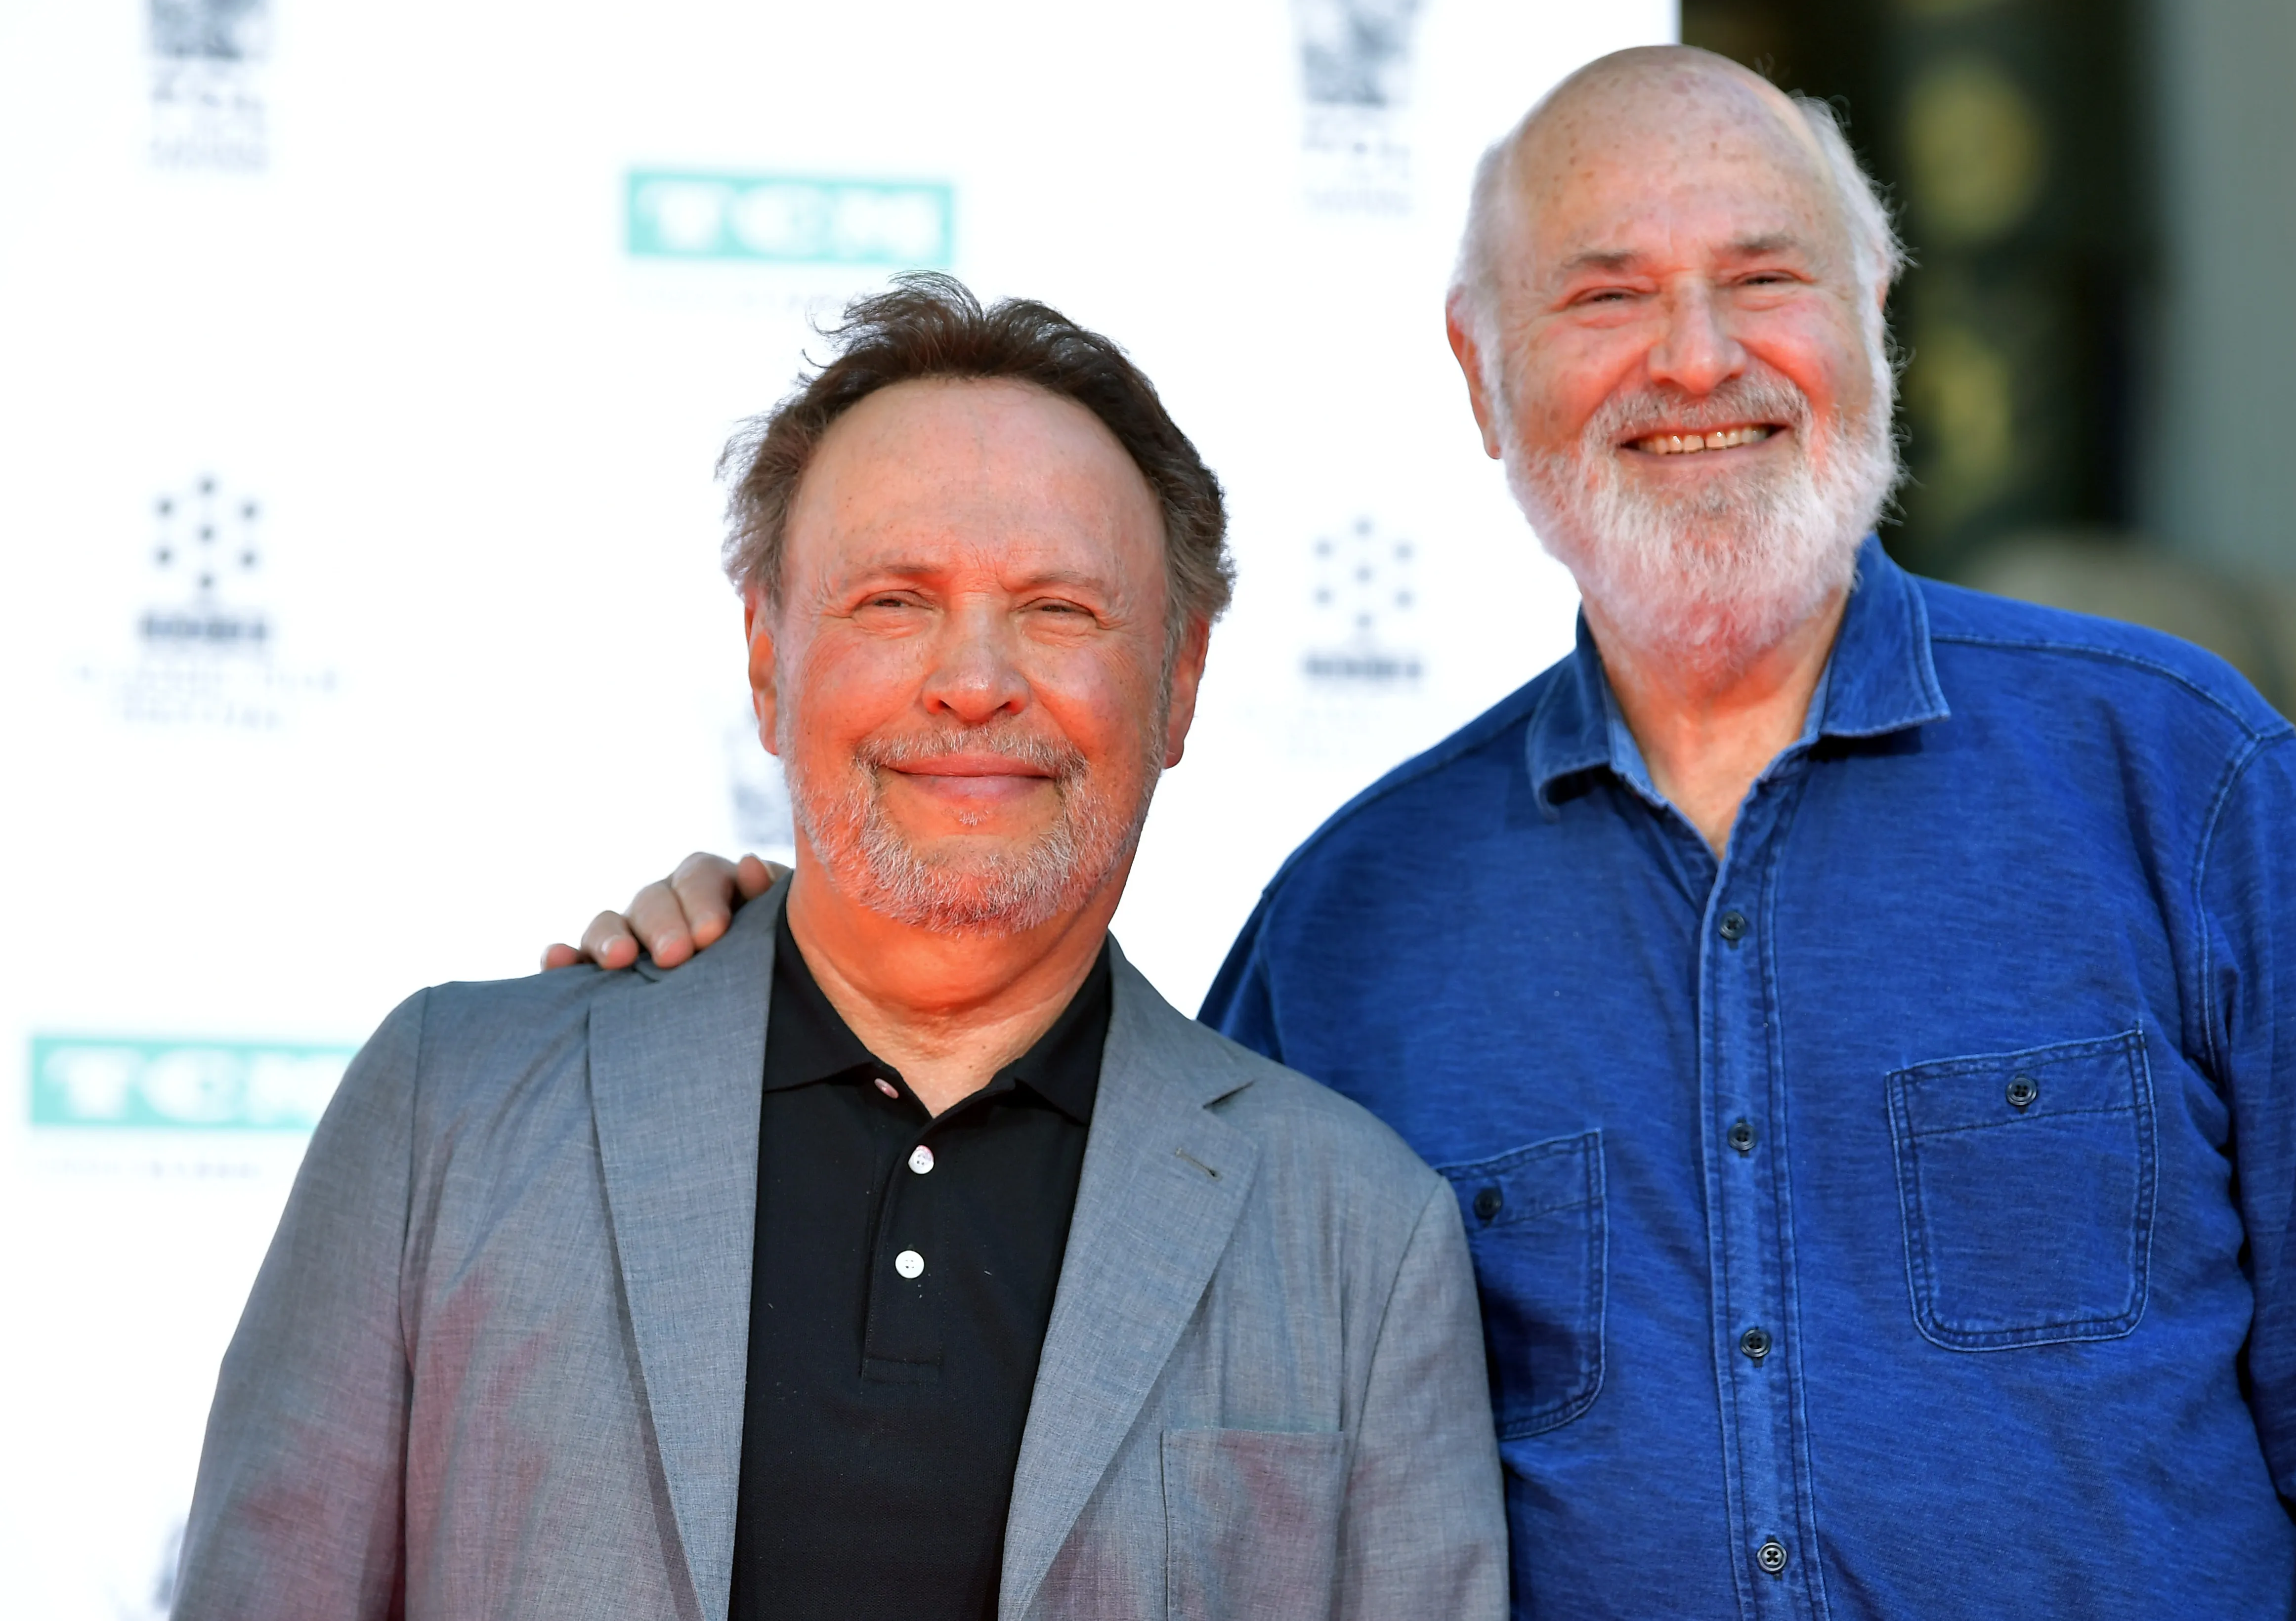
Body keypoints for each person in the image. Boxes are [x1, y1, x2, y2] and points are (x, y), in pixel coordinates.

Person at [560, 50, 2296, 1618]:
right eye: (1603, 296)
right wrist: (784, 975)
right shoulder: (1350, 929)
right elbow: (1099, 1383)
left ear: (1871, 321)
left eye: (1760, 279)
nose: (1694, 359)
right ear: (1483, 381)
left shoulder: (2172, 779)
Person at [174, 278, 1507, 1621]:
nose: (974, 679)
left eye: (1058, 608)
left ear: (1180, 679)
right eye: (892, 600)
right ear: (766, 657)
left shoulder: (1359, 1241)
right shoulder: (444, 1115)